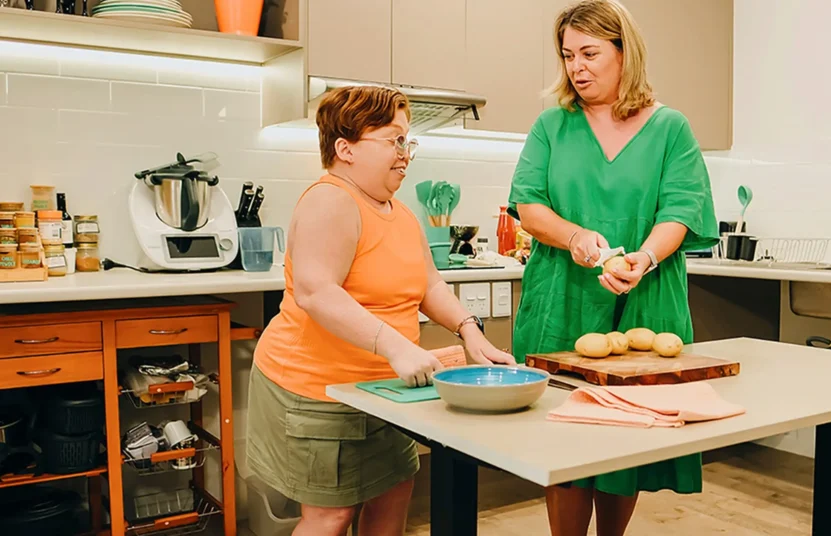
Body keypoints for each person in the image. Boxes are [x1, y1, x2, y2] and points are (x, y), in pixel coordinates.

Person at [246, 85, 515, 536]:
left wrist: (471, 331)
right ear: (344, 148)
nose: (405, 153)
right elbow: (316, 292)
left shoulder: (400, 212)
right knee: (331, 516)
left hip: (387, 391)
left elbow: (429, 283)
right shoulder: (330, 200)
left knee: (394, 492)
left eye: (407, 141)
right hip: (319, 392)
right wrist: (396, 346)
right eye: (393, 140)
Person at [507, 1, 719, 535]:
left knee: (626, 438)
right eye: (567, 55)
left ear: (626, 53)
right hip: (563, 295)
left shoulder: (671, 127)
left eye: (590, 53)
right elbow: (528, 205)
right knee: (565, 435)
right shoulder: (552, 125)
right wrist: (576, 237)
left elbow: (681, 210)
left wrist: (643, 259)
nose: (576, 67)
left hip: (646, 296)